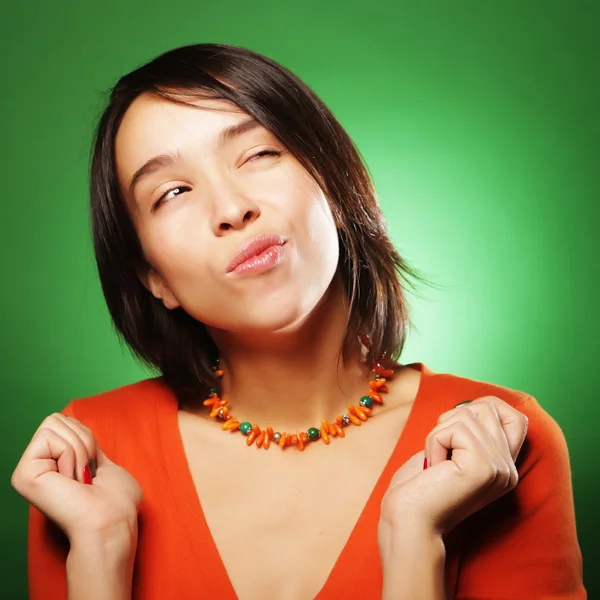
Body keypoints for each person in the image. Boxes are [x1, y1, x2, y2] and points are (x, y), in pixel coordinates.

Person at [11, 43, 585, 600]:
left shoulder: (498, 445)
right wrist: (101, 549)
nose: (233, 209)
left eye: (258, 154)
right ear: (152, 278)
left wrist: (415, 539)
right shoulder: (85, 460)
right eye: (173, 191)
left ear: (332, 182)